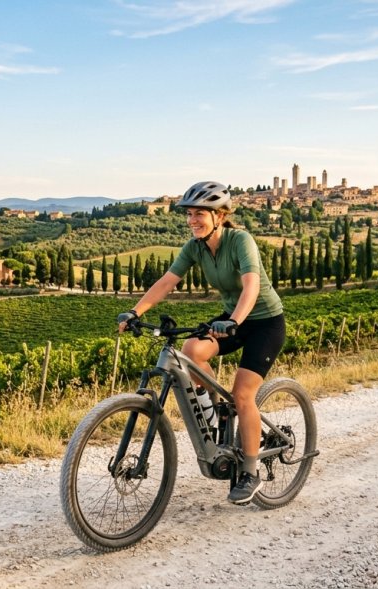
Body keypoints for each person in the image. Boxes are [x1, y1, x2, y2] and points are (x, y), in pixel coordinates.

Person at [117, 180, 286, 505]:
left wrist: (234, 320)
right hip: (232, 319)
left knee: (243, 394)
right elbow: (167, 281)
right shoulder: (195, 247)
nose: (193, 220)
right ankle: (215, 411)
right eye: (190, 214)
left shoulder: (240, 241)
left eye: (200, 214)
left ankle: (250, 472)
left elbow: (251, 287)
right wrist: (135, 311)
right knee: (192, 350)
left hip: (264, 322)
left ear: (220, 216)